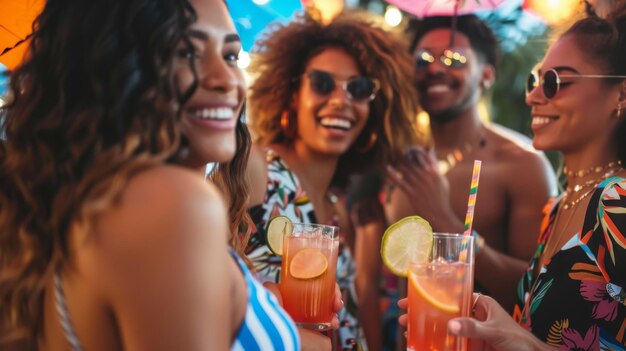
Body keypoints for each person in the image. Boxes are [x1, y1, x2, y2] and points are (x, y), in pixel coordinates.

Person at [0, 0, 338, 349]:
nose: (226, 80)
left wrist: (265, 305)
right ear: (116, 66)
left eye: (231, 56)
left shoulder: (100, 201)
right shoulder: (174, 203)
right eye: (186, 52)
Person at [434, 9, 626, 350]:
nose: (532, 97)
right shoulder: (559, 207)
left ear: (621, 95)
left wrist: (520, 340)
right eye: (534, 81)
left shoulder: (617, 203)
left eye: (555, 82)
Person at [245, 11, 422, 351]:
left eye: (358, 88)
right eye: (323, 83)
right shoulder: (256, 170)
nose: (341, 100)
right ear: (292, 93)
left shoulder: (337, 206)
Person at [385, 14, 557, 310]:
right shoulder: (401, 161)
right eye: (423, 59)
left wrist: (445, 220)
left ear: (486, 75)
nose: (435, 68)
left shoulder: (522, 164)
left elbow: (539, 291)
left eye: (454, 59)